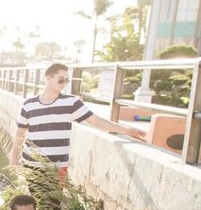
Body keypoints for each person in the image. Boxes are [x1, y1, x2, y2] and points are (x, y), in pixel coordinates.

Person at [8, 63, 144, 176]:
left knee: (55, 207)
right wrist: (14, 161)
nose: (64, 83)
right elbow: (20, 135)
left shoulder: (71, 103)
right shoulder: (28, 104)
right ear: (48, 78)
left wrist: (125, 130)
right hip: (32, 164)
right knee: (34, 206)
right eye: (61, 79)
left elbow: (96, 121)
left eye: (66, 80)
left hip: (58, 166)